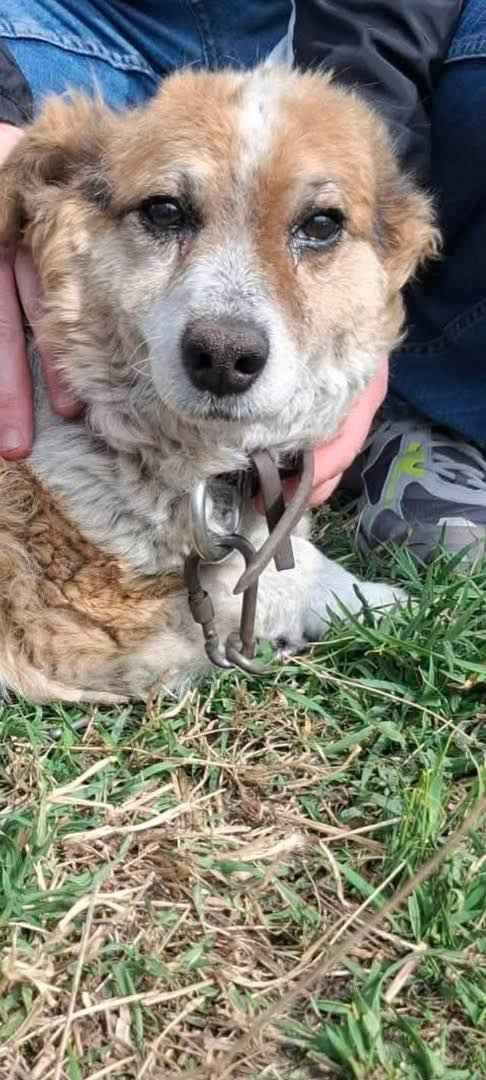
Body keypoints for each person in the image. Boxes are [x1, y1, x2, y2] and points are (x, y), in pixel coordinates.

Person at [0, 0, 484, 561]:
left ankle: (415, 408)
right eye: (166, 213)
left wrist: (358, 135)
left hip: (366, 29)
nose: (226, 342)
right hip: (69, 23)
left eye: (318, 226)